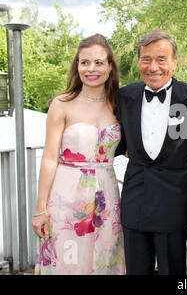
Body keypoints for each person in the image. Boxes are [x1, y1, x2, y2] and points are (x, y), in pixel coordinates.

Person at [114, 30, 187, 275]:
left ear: (174, 62)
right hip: (134, 201)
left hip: (175, 204)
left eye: (161, 59)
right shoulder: (125, 96)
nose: (153, 67)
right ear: (138, 62)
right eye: (146, 59)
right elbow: (117, 145)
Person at [31, 34, 125, 274]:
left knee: (104, 260)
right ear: (77, 66)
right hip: (67, 196)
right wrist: (40, 209)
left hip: (107, 198)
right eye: (84, 62)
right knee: (68, 260)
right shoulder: (62, 104)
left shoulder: (120, 105)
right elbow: (50, 158)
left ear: (110, 66)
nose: (91, 69)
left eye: (98, 62)